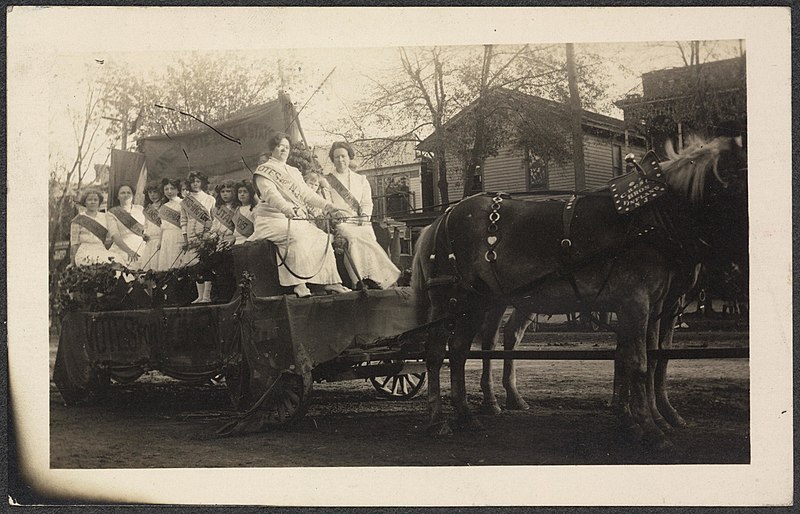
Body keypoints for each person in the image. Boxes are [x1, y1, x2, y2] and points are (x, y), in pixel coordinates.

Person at [246, 132, 350, 298]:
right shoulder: (263, 171)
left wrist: (328, 206)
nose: (283, 150)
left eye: (286, 147)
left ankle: (331, 281)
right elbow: (271, 195)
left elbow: (306, 194)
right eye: (280, 146)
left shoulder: (293, 171)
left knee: (321, 237)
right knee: (295, 235)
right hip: (271, 219)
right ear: (273, 149)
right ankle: (299, 284)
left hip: (293, 218)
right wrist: (287, 208)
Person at [324, 141, 400, 289]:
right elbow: (326, 203)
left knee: (369, 235)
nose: (340, 160)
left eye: (343, 156)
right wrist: (336, 213)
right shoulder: (327, 181)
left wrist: (364, 217)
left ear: (349, 157)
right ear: (333, 159)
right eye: (337, 157)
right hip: (341, 222)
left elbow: (367, 203)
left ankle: (375, 277)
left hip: (360, 221)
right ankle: (359, 279)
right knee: (353, 237)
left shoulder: (361, 180)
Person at [181, 170, 216, 303]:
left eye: (197, 181)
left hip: (205, 234)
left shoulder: (210, 199)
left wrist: (209, 234)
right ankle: (199, 296)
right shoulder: (186, 201)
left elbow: (213, 218)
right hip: (191, 234)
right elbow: (183, 220)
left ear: (202, 182)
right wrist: (185, 237)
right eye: (192, 182)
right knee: (195, 265)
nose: (195, 184)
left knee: (205, 264)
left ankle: (206, 296)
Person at [69, 189, 115, 266]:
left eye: (95, 200)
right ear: (84, 202)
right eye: (89, 200)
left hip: (101, 250)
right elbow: (74, 243)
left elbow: (112, 236)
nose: (93, 202)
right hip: (84, 252)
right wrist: (72, 263)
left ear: (99, 202)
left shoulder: (105, 217)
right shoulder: (78, 219)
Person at [107, 184, 147, 269]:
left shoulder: (141, 209)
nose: (126, 195)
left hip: (141, 246)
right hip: (122, 247)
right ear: (118, 196)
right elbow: (115, 235)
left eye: (129, 193)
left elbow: (147, 229)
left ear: (133, 196)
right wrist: (129, 251)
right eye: (122, 193)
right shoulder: (112, 213)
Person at [157, 178, 185, 270]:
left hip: (178, 236)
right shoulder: (164, 206)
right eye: (166, 189)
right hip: (166, 238)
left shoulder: (183, 203)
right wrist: (160, 241)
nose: (169, 191)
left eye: (172, 188)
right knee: (165, 265)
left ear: (178, 190)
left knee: (177, 265)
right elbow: (162, 226)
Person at [140, 180, 164, 270]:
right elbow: (146, 225)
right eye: (150, 192)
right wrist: (144, 234)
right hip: (150, 241)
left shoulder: (164, 207)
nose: (152, 195)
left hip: (160, 241)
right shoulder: (148, 209)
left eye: (155, 192)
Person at [211, 180, 239, 249]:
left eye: (228, 191)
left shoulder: (237, 208)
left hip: (232, 240)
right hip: (219, 240)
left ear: (234, 192)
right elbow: (215, 224)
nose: (225, 194)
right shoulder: (218, 208)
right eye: (222, 192)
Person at [232, 180, 257, 245]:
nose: (242, 194)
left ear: (250, 194)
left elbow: (257, 230)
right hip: (236, 243)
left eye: (245, 192)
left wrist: (248, 241)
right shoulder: (237, 209)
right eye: (239, 192)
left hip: (248, 243)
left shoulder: (254, 209)